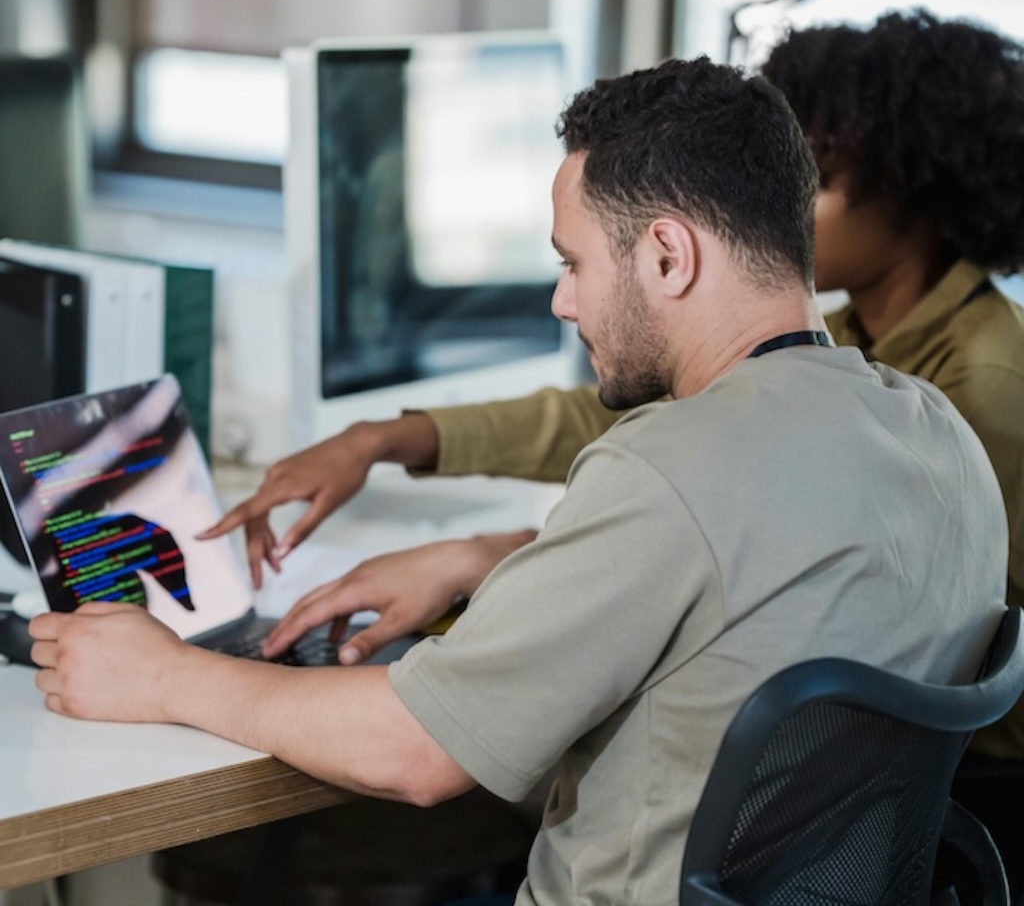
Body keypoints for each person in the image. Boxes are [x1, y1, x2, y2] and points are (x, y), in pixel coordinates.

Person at [32, 56, 1007, 906]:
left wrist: (165, 673)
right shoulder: (940, 440)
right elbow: (763, 580)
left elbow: (412, 752)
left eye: (573, 261)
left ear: (667, 254)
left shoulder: (668, 464)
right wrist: (483, 555)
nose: (562, 298)